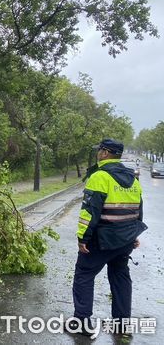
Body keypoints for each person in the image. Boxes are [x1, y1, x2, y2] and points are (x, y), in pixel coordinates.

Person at [72, 138, 147, 335]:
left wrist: (83, 238)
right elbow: (138, 208)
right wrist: (134, 235)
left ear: (105, 153)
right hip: (124, 241)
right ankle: (122, 325)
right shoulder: (133, 178)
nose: (98, 153)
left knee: (84, 274)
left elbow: (90, 211)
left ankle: (81, 323)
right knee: (120, 276)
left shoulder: (100, 176)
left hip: (101, 239)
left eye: (100, 151)